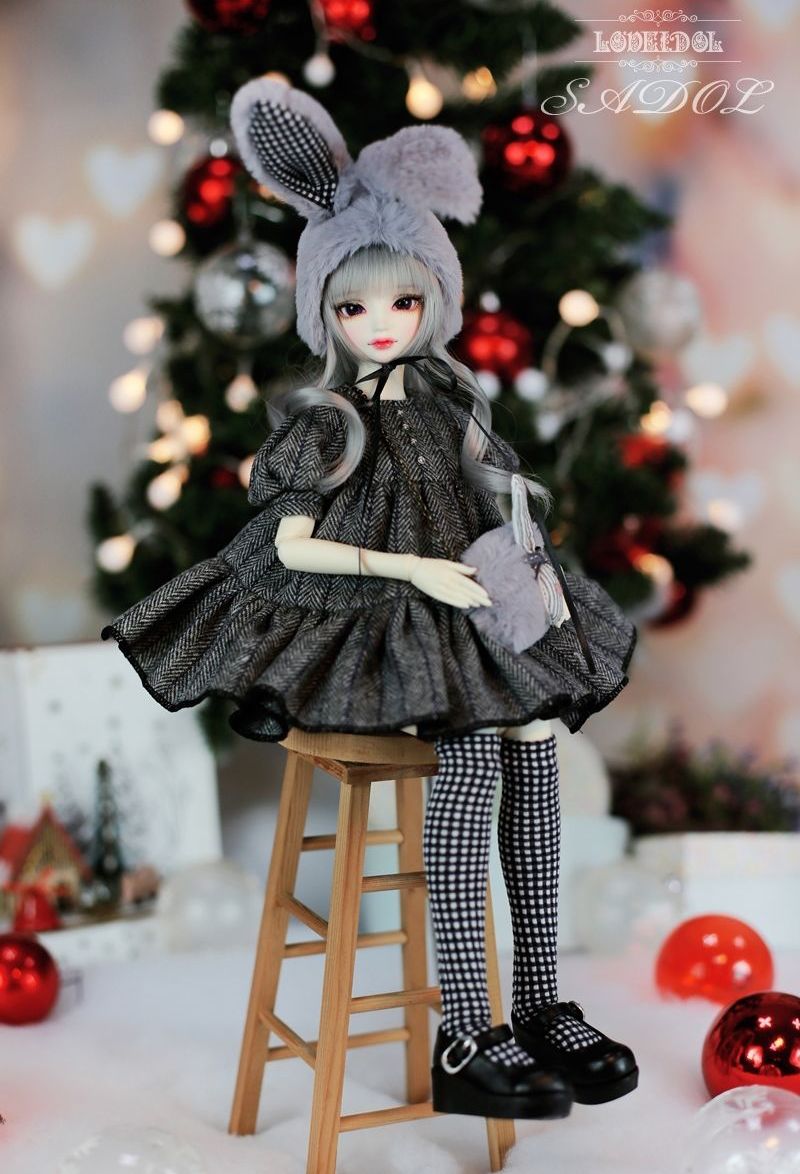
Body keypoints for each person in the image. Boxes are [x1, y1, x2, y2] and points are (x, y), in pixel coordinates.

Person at [101, 77, 639, 1120]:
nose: (381, 324)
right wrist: (410, 570)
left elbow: (498, 501)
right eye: (354, 307)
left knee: (535, 741)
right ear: (325, 313)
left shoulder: (450, 402)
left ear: (435, 300)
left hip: (474, 606)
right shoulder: (326, 424)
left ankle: (537, 1000)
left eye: (403, 302)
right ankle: (463, 1030)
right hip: (375, 630)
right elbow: (293, 543)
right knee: (473, 748)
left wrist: (523, 570)